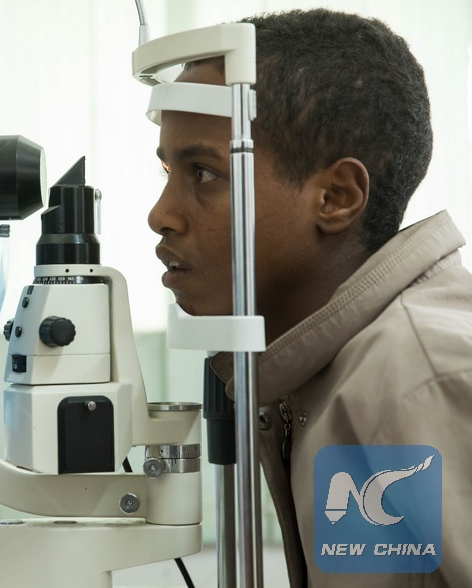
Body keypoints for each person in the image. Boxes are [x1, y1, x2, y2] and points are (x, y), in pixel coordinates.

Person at [148, 8, 471, 587]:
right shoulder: (322, 376)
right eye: (168, 171)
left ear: (336, 197)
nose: (160, 214)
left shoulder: (422, 374)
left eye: (204, 173)